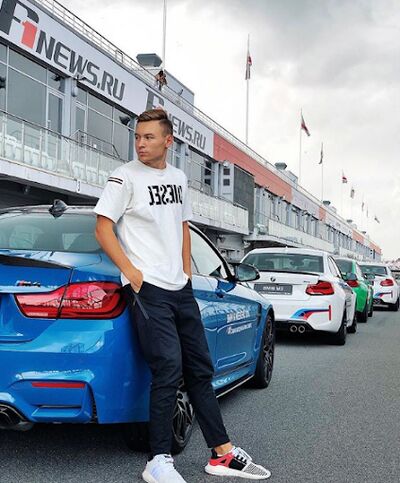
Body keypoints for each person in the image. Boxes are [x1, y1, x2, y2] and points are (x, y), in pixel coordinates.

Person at [94, 108, 271, 482]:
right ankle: (157, 460)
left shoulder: (177, 178)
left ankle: (221, 454)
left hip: (180, 288)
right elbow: (103, 228)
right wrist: (132, 274)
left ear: (168, 141)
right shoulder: (124, 176)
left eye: (149, 137)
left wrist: (186, 273)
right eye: (137, 137)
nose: (141, 143)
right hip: (148, 289)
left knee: (200, 369)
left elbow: (182, 225)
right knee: (168, 368)